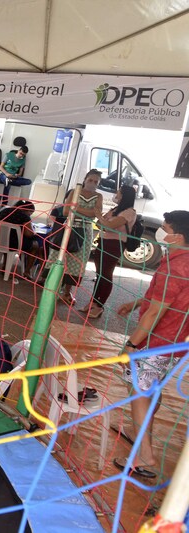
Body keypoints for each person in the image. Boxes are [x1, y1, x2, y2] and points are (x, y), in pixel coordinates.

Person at [114, 210, 189, 479]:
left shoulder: (175, 266)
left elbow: (156, 312)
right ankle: (138, 432)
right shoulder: (182, 261)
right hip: (175, 344)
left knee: (139, 393)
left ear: (177, 237)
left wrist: (132, 345)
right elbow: (167, 299)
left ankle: (145, 457)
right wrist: (136, 302)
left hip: (155, 343)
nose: (160, 232)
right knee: (149, 390)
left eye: (165, 228)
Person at [48, 170, 103, 306]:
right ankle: (52, 289)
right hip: (69, 228)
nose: (92, 183)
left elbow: (96, 214)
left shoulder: (98, 196)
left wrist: (76, 209)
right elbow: (66, 211)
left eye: (96, 181)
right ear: (85, 179)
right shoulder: (74, 191)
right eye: (90, 180)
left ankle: (67, 292)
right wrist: (86, 212)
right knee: (59, 256)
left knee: (78, 261)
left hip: (85, 230)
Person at [84, 185, 137, 318]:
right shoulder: (115, 210)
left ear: (124, 195)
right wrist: (104, 221)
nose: (116, 195)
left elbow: (109, 225)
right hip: (103, 242)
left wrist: (100, 218)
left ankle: (99, 305)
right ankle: (93, 302)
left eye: (118, 193)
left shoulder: (129, 212)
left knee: (106, 274)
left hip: (115, 245)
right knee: (99, 274)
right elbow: (100, 225)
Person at [0, 200, 46, 281]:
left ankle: (5, 265)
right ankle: (27, 271)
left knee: (9, 242)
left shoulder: (4, 211)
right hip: (13, 243)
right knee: (35, 245)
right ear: (27, 209)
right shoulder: (24, 216)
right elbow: (29, 234)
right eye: (30, 212)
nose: (30, 214)